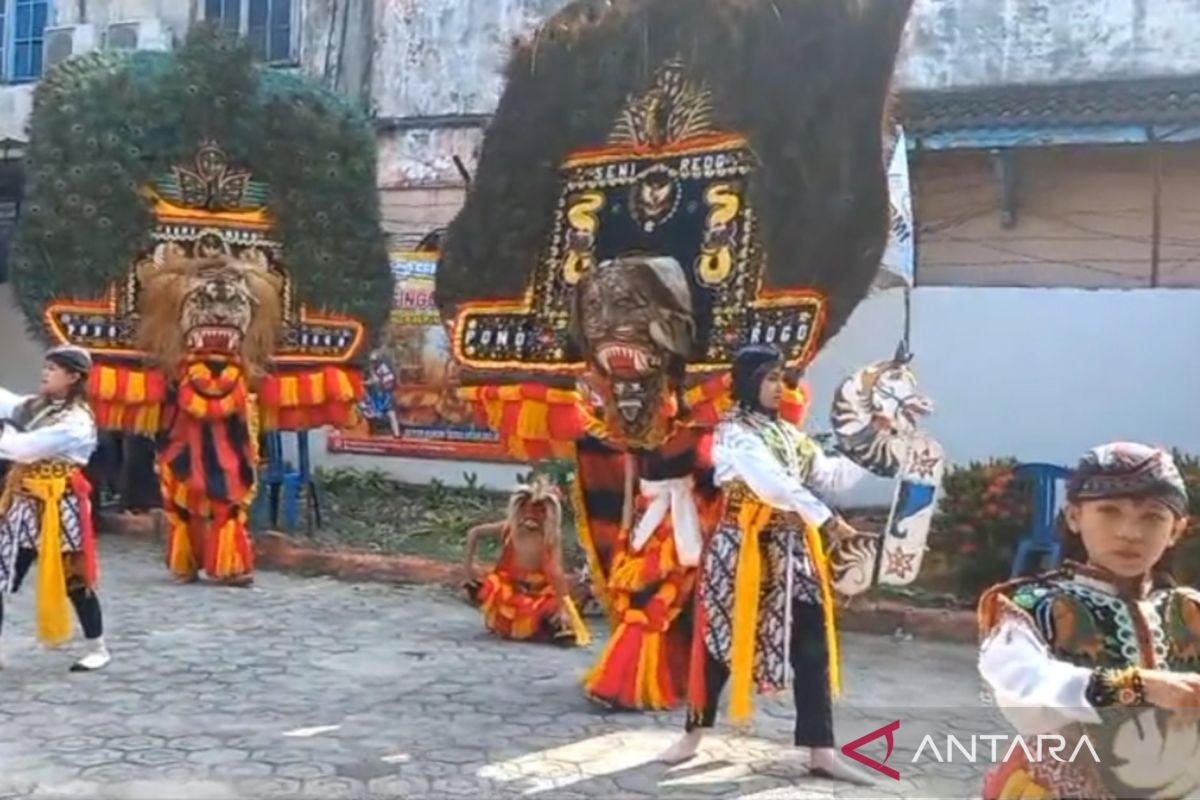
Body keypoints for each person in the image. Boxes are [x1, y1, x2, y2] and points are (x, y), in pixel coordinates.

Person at [659, 344, 874, 784]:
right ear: (749, 382)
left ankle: (821, 750)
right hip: (742, 548)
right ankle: (693, 734)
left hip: (793, 550)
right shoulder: (733, 434)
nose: (780, 388)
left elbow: (831, 475)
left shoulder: (791, 437)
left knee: (812, 645)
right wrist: (828, 520)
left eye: (783, 379)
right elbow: (771, 486)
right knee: (718, 642)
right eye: (771, 378)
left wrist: (873, 443)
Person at [977, 442, 1200, 800]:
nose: (1130, 532)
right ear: (1075, 517)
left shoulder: (1190, 611)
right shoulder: (1034, 607)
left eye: (1153, 517)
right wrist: (1135, 685)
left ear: (1176, 529)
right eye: (1110, 511)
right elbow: (1022, 685)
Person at [0, 344, 110, 672]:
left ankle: (97, 647)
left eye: (53, 369)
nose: (45, 372)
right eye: (46, 367)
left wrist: (6, 433)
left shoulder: (77, 421)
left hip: (60, 506)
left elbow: (24, 448)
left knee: (74, 579)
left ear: (73, 377)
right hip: (23, 502)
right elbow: (7, 402)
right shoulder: (36, 406)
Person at [464, 477, 591, 646]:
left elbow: (555, 571)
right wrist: (468, 572)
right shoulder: (510, 528)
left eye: (539, 513)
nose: (532, 519)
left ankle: (556, 626)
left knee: (551, 613)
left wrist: (562, 608)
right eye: (527, 511)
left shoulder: (550, 537)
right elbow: (474, 533)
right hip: (511, 591)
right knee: (494, 588)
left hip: (540, 592)